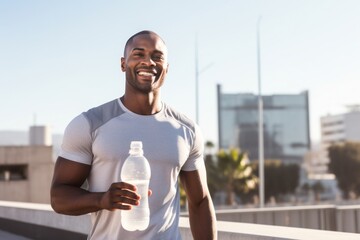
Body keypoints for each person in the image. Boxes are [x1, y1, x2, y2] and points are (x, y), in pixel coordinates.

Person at [50, 30, 217, 239]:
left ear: (167, 67)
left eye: (157, 56)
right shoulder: (89, 124)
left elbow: (200, 201)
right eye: (139, 54)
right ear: (123, 64)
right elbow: (59, 197)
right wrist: (101, 200)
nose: (149, 62)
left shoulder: (186, 129)